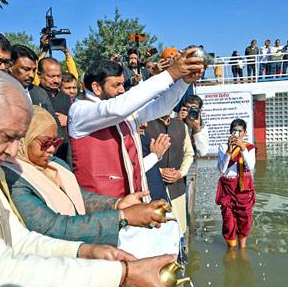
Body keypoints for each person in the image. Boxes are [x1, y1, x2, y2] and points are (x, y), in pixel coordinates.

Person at [0, 69, 176, 287]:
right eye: (7, 137)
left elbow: (20, 241)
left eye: (17, 140)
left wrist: (84, 251)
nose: (11, 151)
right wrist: (122, 275)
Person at [6, 105, 169, 246]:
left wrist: (117, 204)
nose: (51, 149)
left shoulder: (56, 164)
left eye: (55, 143)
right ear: (22, 140)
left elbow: (79, 196)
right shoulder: (15, 177)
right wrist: (122, 217)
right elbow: (54, 228)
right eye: (45, 143)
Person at [68, 53, 204, 199]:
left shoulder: (122, 108)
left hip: (131, 204)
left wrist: (184, 82)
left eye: (122, 84)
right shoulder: (80, 111)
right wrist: (170, 74)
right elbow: (116, 109)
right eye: (116, 85)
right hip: (100, 209)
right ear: (96, 87)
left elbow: (161, 107)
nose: (121, 90)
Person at [145, 106, 193, 236]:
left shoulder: (180, 125)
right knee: (159, 229)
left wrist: (180, 173)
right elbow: (139, 159)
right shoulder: (145, 125)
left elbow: (189, 154)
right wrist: (160, 171)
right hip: (154, 190)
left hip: (177, 189)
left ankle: (180, 253)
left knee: (179, 230)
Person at [217, 118, 256, 247]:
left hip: (243, 188)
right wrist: (229, 150)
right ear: (230, 132)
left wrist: (242, 148)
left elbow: (250, 166)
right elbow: (222, 169)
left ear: (244, 133)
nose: (236, 134)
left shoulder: (249, 148)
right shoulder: (223, 147)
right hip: (228, 188)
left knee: (245, 220)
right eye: (234, 131)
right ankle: (231, 249)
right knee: (228, 221)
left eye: (239, 131)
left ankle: (243, 248)